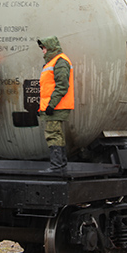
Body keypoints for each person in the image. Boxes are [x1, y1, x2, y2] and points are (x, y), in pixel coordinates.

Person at [37, 36, 74, 171]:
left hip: (57, 106)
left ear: (51, 47)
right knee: (57, 134)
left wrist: (51, 105)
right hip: (53, 106)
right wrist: (42, 108)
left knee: (53, 134)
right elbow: (47, 89)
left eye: (44, 48)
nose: (43, 51)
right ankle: (60, 165)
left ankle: (57, 166)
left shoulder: (60, 62)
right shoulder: (53, 62)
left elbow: (62, 86)